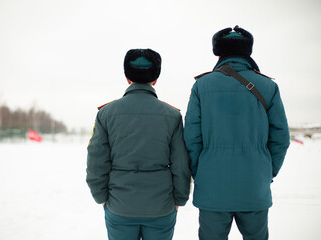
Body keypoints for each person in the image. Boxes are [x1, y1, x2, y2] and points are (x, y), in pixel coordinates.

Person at [184, 26, 290, 240]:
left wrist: (201, 172)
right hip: (254, 185)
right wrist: (267, 172)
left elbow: (191, 139)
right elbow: (280, 138)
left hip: (212, 187)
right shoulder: (268, 86)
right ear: (248, 52)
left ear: (219, 53)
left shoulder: (201, 86)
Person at [86, 48, 191, 240]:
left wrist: (101, 197)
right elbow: (181, 163)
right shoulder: (172, 115)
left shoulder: (106, 113)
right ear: (155, 79)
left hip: (119, 206)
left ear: (127, 78)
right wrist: (180, 199)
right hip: (161, 207)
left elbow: (96, 160)